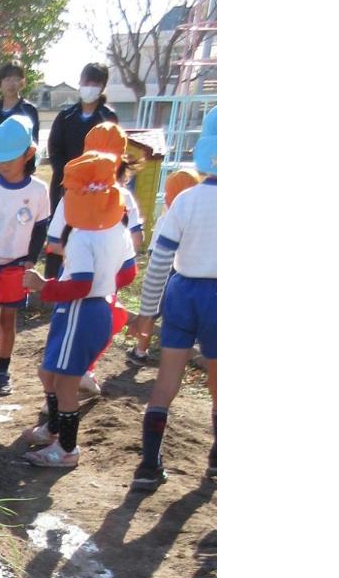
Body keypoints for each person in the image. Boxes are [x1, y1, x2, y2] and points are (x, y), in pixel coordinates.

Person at [21, 152, 138, 469]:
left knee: (65, 383)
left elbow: (81, 284)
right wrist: (106, 281)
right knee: (49, 372)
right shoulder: (118, 230)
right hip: (97, 309)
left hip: (79, 311)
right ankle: (54, 429)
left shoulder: (82, 238)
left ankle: (66, 449)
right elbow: (128, 273)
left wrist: (44, 286)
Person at [128, 107, 218, 489]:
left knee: (166, 380)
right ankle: (216, 462)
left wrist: (147, 313)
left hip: (182, 291)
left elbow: (160, 259)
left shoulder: (186, 200)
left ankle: (149, 464)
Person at [0, 113, 50, 392]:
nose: (1, 164)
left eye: (9, 159)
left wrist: (30, 261)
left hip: (17, 266)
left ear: (28, 154)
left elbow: (40, 229)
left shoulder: (39, 191)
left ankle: (3, 369)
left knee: (8, 319)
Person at [128, 165, 204, 366]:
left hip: (165, 272)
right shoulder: (199, 216)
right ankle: (181, 356)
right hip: (186, 273)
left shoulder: (167, 217)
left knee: (152, 313)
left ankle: (140, 350)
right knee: (181, 318)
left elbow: (156, 250)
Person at [44, 63, 121, 246]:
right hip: (65, 184)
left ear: (102, 87)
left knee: (88, 234)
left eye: (96, 83)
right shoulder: (65, 116)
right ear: (80, 81)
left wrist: (91, 181)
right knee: (60, 234)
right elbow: (54, 148)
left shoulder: (107, 117)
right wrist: (69, 175)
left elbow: (112, 152)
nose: (90, 86)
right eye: (87, 81)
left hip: (96, 187)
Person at [0, 62, 41, 184]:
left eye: (16, 79)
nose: (12, 84)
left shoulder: (28, 110)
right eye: (7, 79)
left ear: (22, 82)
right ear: (0, 83)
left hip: (19, 176)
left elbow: (32, 143)